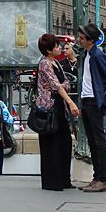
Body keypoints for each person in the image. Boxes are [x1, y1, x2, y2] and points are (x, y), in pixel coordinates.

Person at [77, 24, 106, 192]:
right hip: (87, 100)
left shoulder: (97, 55)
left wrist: (104, 100)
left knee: (99, 141)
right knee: (93, 141)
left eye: (82, 38)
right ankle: (96, 177)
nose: (79, 40)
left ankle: (102, 179)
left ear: (90, 40)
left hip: (94, 101)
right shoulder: (87, 54)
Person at [35, 34, 79, 190]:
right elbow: (57, 85)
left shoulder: (56, 63)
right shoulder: (45, 64)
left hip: (59, 105)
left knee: (64, 142)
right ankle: (52, 181)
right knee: (51, 144)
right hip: (50, 108)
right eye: (56, 46)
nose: (60, 48)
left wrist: (61, 87)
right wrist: (70, 101)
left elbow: (65, 83)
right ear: (48, 50)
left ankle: (64, 178)